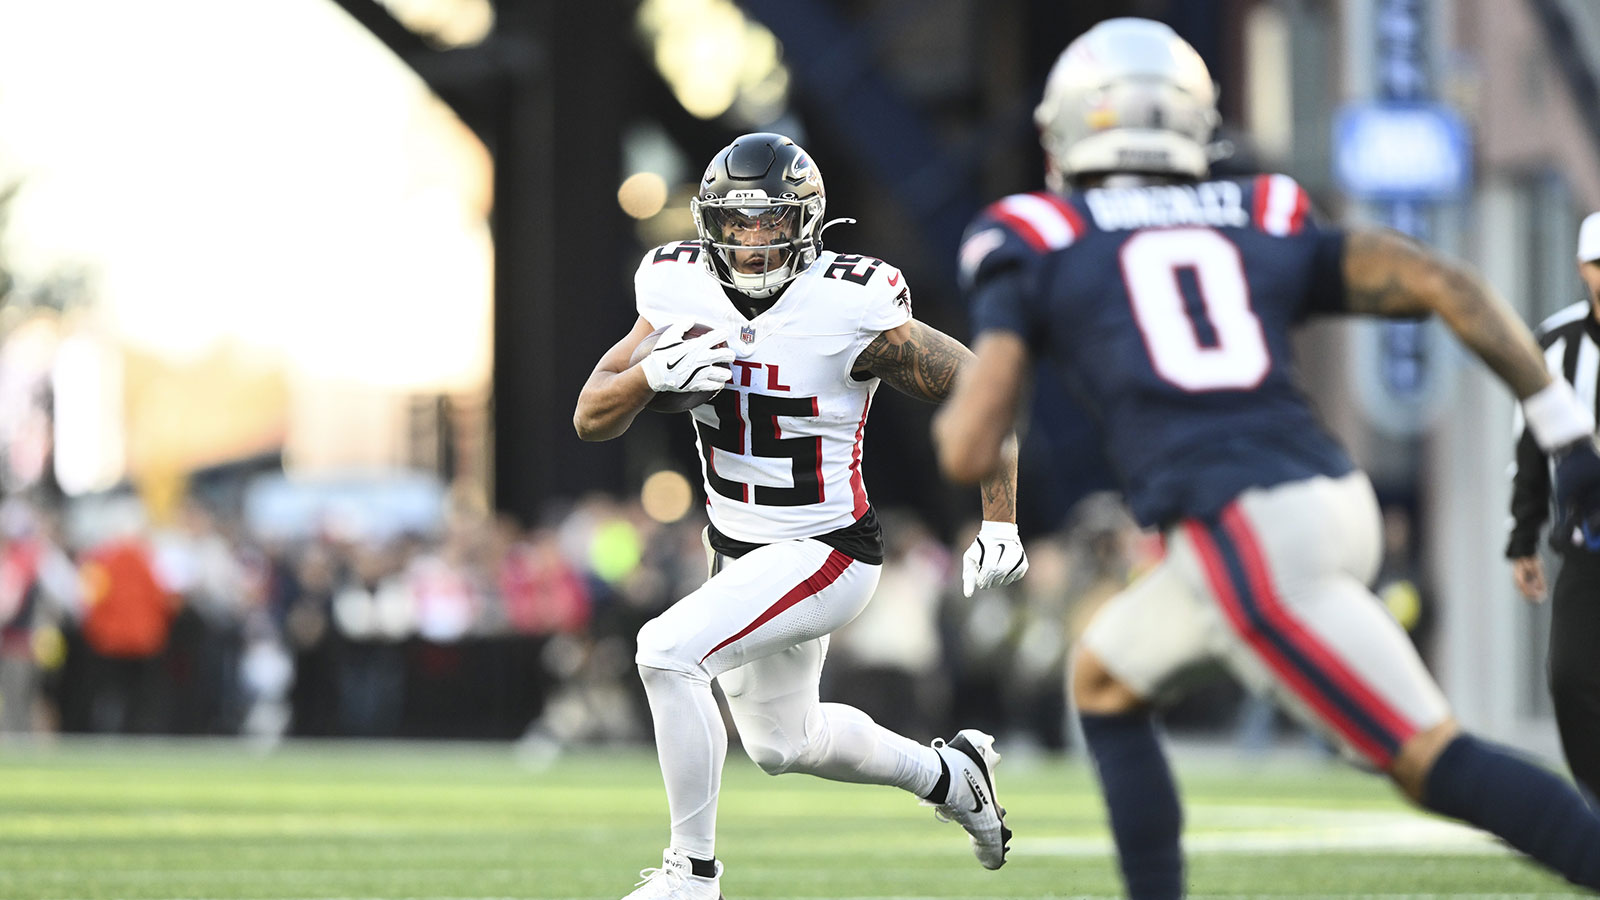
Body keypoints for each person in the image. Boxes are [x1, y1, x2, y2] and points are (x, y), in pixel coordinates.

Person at [933, 17, 1600, 899]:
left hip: (1240, 530)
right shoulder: (1259, 207)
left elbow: (971, 445)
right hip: (1321, 496)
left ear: (1070, 129)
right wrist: (1564, 427)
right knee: (1104, 676)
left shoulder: (1037, 234)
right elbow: (1445, 282)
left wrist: (959, 412)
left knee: (1431, 759)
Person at [574, 132, 1029, 900]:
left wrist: (1001, 522)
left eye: (772, 222)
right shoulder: (675, 284)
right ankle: (954, 777)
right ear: (706, 222)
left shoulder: (851, 302)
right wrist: (652, 373)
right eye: (735, 223)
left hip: (827, 546)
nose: (752, 242)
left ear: (807, 222)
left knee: (665, 651)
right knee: (788, 743)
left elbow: (980, 389)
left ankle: (692, 874)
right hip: (739, 547)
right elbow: (591, 417)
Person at [1507, 210, 1600, 803]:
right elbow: (1530, 442)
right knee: (1570, 677)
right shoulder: (1555, 343)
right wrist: (1523, 535)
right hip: (1589, 545)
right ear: (1580, 269)